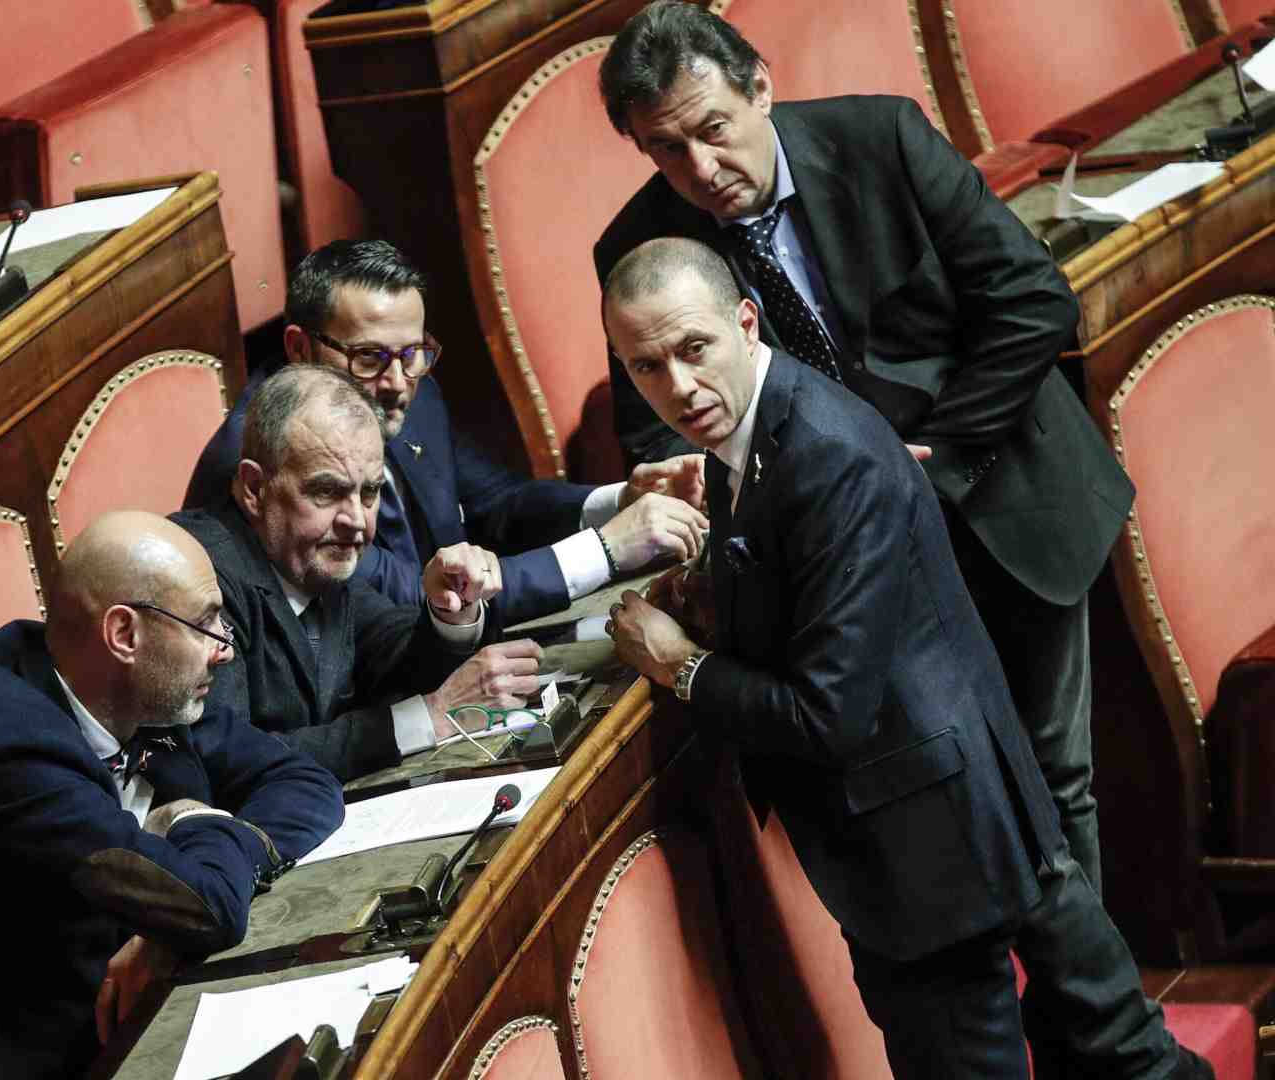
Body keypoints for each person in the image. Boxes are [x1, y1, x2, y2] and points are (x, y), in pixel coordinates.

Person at [601, 238, 1207, 1080]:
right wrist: (717, 602)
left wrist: (682, 665)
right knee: (1125, 1050)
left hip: (929, 849)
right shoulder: (752, 427)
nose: (678, 386)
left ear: (745, 321)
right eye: (646, 367)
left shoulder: (822, 452)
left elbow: (827, 713)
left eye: (692, 348)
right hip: (947, 810)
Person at [591, 1, 1132, 894]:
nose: (701, 169)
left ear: (760, 88)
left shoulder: (883, 138)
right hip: (842, 562)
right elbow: (651, 423)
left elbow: (1034, 301)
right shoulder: (639, 245)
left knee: (1051, 778)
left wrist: (935, 453)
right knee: (942, 802)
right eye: (666, 149)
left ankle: (1085, 987)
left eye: (713, 131)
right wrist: (680, 469)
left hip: (996, 492)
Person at [0, 511, 344, 1080]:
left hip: (89, 1020)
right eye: (205, 624)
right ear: (124, 635)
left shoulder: (139, 691)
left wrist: (167, 927)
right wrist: (192, 835)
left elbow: (307, 786)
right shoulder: (9, 754)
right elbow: (213, 906)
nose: (224, 647)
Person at [186, 239, 708, 627]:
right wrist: (606, 549)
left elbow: (497, 502)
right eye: (368, 357)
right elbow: (410, 597)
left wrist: (620, 499)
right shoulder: (259, 462)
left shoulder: (408, 392)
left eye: (412, 353)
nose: (397, 383)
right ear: (299, 349)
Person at [175, 363, 547, 782]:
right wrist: (430, 716)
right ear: (254, 489)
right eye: (326, 491)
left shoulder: (314, 555)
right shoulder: (198, 576)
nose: (356, 520)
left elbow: (390, 652)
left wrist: (452, 612)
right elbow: (226, 759)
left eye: (369, 492)